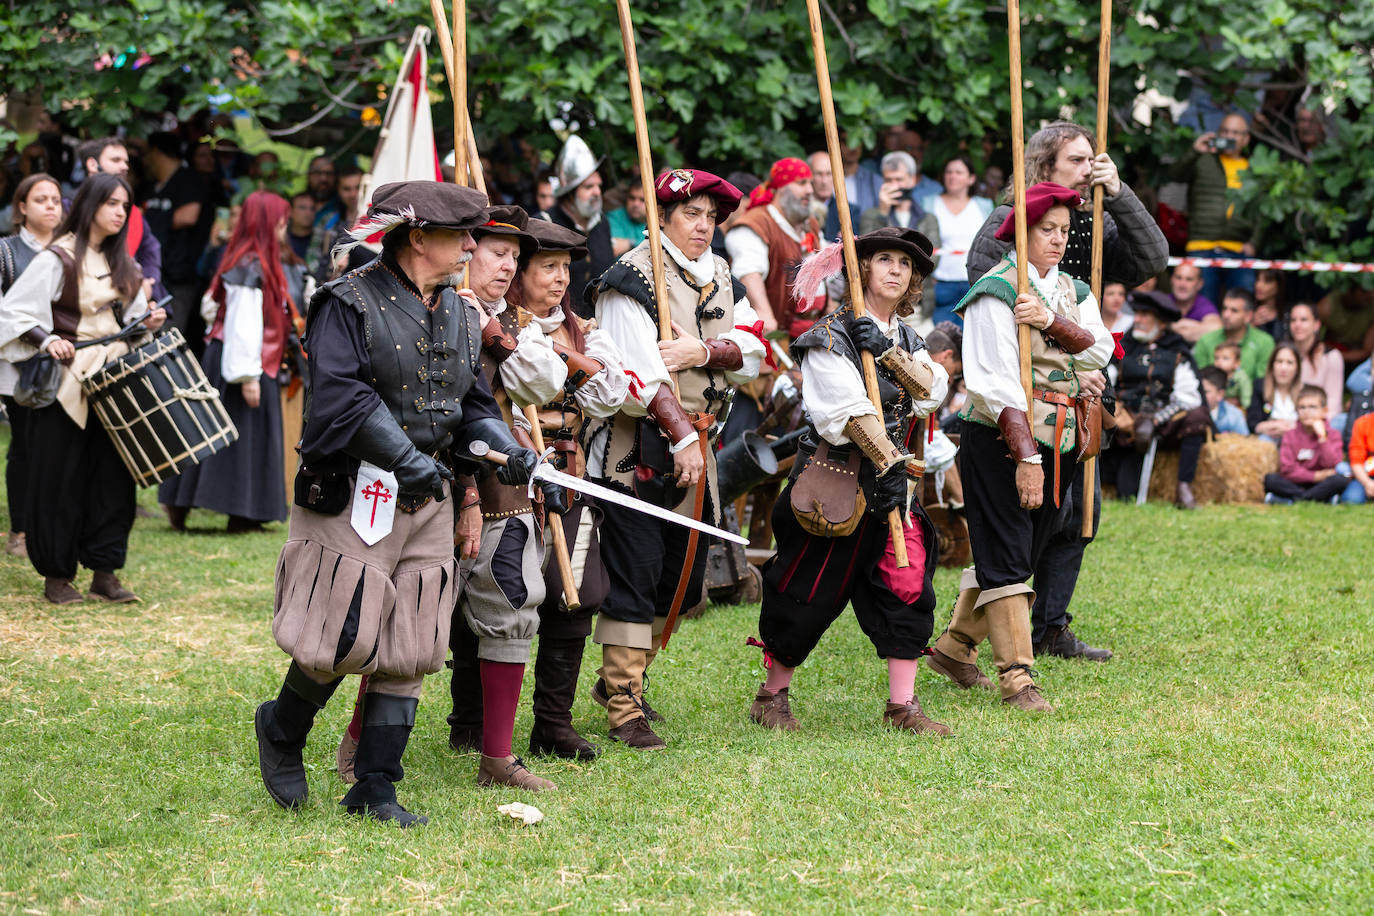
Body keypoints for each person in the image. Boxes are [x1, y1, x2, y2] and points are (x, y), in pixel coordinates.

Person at [252, 181, 540, 827]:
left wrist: (506, 448)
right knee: (343, 634)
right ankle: (281, 727)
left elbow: (471, 406)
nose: (473, 246)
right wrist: (412, 465)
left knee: (410, 641)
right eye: (461, 235)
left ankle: (376, 787)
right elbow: (342, 400)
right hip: (358, 492)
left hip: (427, 498)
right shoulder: (345, 303)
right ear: (417, 238)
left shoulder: (464, 315)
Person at [965, 122, 1163, 663]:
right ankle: (989, 645)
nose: (1089, 167)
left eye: (1093, 160)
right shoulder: (1005, 226)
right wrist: (1063, 367)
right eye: (1078, 160)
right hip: (1026, 401)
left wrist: (1118, 195)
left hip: (1083, 394)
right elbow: (999, 309)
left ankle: (1047, 625)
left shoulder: (1090, 224)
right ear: (1044, 166)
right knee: (1020, 529)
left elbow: (1150, 260)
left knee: (1077, 516)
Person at [584, 169, 764, 749]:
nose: (703, 227)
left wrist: (705, 350)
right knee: (635, 571)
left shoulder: (719, 273)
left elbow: (754, 351)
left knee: (684, 583)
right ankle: (623, 701)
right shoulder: (631, 277)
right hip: (639, 447)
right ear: (663, 215)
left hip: (700, 442)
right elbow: (639, 370)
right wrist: (682, 435)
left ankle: (627, 677)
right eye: (691, 214)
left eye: (712, 217)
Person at [748, 227, 949, 734]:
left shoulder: (905, 338)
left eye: (906, 265)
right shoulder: (826, 337)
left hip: (893, 488)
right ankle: (771, 696)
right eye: (885, 260)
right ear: (862, 270)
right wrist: (888, 463)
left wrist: (886, 352)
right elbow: (847, 412)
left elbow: (930, 392)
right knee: (808, 593)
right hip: (833, 482)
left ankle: (902, 705)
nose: (896, 271)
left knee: (906, 586)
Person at [926, 182, 1113, 710]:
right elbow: (994, 381)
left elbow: (1101, 349)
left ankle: (956, 647)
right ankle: (1017, 678)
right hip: (1001, 440)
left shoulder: (1072, 291)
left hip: (1063, 439)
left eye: (1063, 231)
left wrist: (1051, 321)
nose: (1057, 240)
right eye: (1046, 230)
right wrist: (1025, 456)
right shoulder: (995, 290)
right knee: (1007, 553)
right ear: (1021, 233)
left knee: (1025, 551)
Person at [445, 206, 585, 792]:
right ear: (463, 251)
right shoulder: (435, 309)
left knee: (513, 606)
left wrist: (499, 332)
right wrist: (465, 494)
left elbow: (544, 384)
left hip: (503, 483)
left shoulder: (507, 322)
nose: (508, 266)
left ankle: (497, 759)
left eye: (513, 257)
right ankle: (363, 748)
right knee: (407, 619)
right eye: (496, 253)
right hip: (428, 485)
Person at [0, 174, 167, 604]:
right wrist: (46, 338)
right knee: (59, 478)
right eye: (111, 203)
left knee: (114, 479)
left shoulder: (123, 261)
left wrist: (146, 323)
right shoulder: (58, 257)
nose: (118, 212)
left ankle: (104, 572)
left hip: (114, 382)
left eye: (124, 205)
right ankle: (57, 575)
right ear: (91, 204)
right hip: (66, 384)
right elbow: (13, 312)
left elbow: (130, 324)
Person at [513, 218, 629, 761]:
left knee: (575, 593)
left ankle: (552, 725)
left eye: (565, 268)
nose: (560, 279)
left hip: (570, 477)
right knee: (495, 597)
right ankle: (469, 721)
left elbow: (610, 392)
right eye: (547, 267)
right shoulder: (491, 323)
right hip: (506, 480)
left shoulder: (584, 329)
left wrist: (556, 357)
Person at [158, 191, 296, 532]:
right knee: (233, 436)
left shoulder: (244, 260)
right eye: (281, 219)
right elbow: (243, 323)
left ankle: (239, 512)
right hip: (242, 361)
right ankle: (233, 511)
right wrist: (247, 375)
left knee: (222, 435)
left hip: (234, 357)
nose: (284, 226)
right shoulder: (250, 266)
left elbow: (210, 307)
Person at [1, 173, 64, 559]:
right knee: (24, 447)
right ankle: (20, 530)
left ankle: (51, 523)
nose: (51, 206)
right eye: (41, 199)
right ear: (22, 207)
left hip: (66, 365)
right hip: (19, 365)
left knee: (57, 446)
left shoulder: (70, 250)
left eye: (56, 199)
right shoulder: (6, 251)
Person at [1113, 291, 1207, 508]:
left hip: (1164, 424)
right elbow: (1104, 382)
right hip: (1123, 423)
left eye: (1145, 315)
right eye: (1137, 313)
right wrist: (1117, 412)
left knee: (1197, 417)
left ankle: (1184, 488)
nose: (1137, 319)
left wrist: (1155, 420)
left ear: (1162, 323)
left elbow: (1189, 398)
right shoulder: (1122, 346)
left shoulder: (1178, 351)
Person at [1170, 113, 1262, 305]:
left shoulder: (1255, 169)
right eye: (1225, 131)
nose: (1229, 136)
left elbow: (1261, 211)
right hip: (1201, 246)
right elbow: (1175, 175)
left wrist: (1254, 242)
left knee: (1242, 307)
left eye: (1236, 133)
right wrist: (1195, 151)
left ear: (1246, 139)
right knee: (1202, 308)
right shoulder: (1204, 160)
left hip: (1239, 249)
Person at [725, 157, 822, 338]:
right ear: (782, 188)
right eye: (801, 183)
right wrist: (764, 314)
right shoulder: (756, 223)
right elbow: (749, 272)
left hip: (815, 332)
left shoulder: (810, 223)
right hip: (775, 337)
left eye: (810, 183)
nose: (810, 190)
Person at [141, 132, 214, 341]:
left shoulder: (188, 178)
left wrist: (150, 218)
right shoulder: (152, 186)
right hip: (156, 271)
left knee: (170, 335)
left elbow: (189, 216)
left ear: (155, 153)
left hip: (181, 274)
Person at [74, 137, 163, 302]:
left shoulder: (133, 213)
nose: (124, 167)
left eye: (125, 161)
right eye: (116, 160)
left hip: (127, 301)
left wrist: (148, 285)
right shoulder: (67, 207)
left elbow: (150, 252)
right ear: (92, 165)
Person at [917, 155, 994, 329]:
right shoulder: (929, 203)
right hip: (940, 283)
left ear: (971, 178)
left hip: (974, 283)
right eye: (949, 172)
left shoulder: (984, 205)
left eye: (959, 172)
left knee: (973, 336)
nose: (952, 176)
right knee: (941, 337)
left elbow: (990, 243)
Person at [546, 136, 615, 311]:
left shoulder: (602, 222)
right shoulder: (546, 224)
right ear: (569, 194)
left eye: (598, 186)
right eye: (588, 187)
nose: (597, 192)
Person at [1263, 386, 1348, 504]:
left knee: (1340, 480)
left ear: (1324, 411)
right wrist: (1316, 476)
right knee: (1270, 480)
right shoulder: (1290, 435)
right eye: (1302, 407)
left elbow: (1331, 464)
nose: (1306, 412)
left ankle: (1291, 499)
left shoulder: (1333, 435)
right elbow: (1287, 469)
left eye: (1312, 407)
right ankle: (1316, 499)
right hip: (1296, 482)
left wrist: (1322, 437)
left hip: (1321, 484)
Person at [1193, 288, 1274, 382]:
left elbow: (1262, 384)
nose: (1226, 315)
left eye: (1234, 311)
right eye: (1224, 308)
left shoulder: (1265, 342)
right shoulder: (1205, 341)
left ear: (1248, 316)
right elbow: (1199, 381)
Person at [1288, 302, 1345, 419]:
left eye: (1304, 320)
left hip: (1321, 420)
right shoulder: (1285, 354)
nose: (1297, 324)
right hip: (1288, 418)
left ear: (1316, 324)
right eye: (1293, 320)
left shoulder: (1331, 357)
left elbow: (1333, 403)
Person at [858, 152, 925, 234]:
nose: (894, 185)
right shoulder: (869, 216)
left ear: (913, 180)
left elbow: (933, 246)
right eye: (888, 180)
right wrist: (883, 214)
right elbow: (870, 245)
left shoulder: (927, 218)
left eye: (899, 179)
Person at [1248, 343, 1303, 442]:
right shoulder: (1260, 386)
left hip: (1297, 441)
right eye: (1279, 361)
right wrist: (1273, 425)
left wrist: (1289, 429)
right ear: (1272, 365)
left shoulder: (1305, 391)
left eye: (1289, 363)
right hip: (1269, 440)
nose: (1283, 368)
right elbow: (1252, 424)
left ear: (1297, 368)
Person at [1167, 263, 1220, 343]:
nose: (1182, 284)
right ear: (1171, 280)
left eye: (1189, 279)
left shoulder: (1203, 304)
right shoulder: (1163, 300)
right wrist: (1198, 326)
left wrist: (1171, 326)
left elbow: (1217, 328)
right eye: (1178, 278)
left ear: (1200, 284)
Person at [1200, 366, 1249, 435]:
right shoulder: (1190, 413)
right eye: (1198, 390)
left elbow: (1245, 441)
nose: (1200, 395)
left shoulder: (1234, 415)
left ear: (1220, 394)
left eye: (1205, 392)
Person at [607, 184, 648, 257]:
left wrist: (631, 243)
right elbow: (616, 248)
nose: (636, 204)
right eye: (632, 198)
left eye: (642, 200)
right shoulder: (614, 217)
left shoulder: (658, 220)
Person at [1343, 409, 1374, 504]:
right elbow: (1356, 461)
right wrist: (1367, 483)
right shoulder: (1362, 423)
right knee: (1351, 499)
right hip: (1366, 476)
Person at [1211, 342, 1252, 410]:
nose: (1219, 362)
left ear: (1236, 363)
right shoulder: (1214, 375)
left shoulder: (1241, 377)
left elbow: (1246, 395)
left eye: (1225, 358)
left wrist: (1245, 407)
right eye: (1216, 358)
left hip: (1238, 408)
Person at [1252, 268, 1289, 342]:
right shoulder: (1249, 310)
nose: (1259, 285)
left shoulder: (1287, 313)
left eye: (1267, 281)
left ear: (1278, 286)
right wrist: (1252, 325)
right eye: (1258, 280)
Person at [283, 192, 317, 262]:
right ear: (290, 211)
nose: (308, 213)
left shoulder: (322, 239)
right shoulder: (281, 239)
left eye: (312, 209)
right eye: (302, 208)